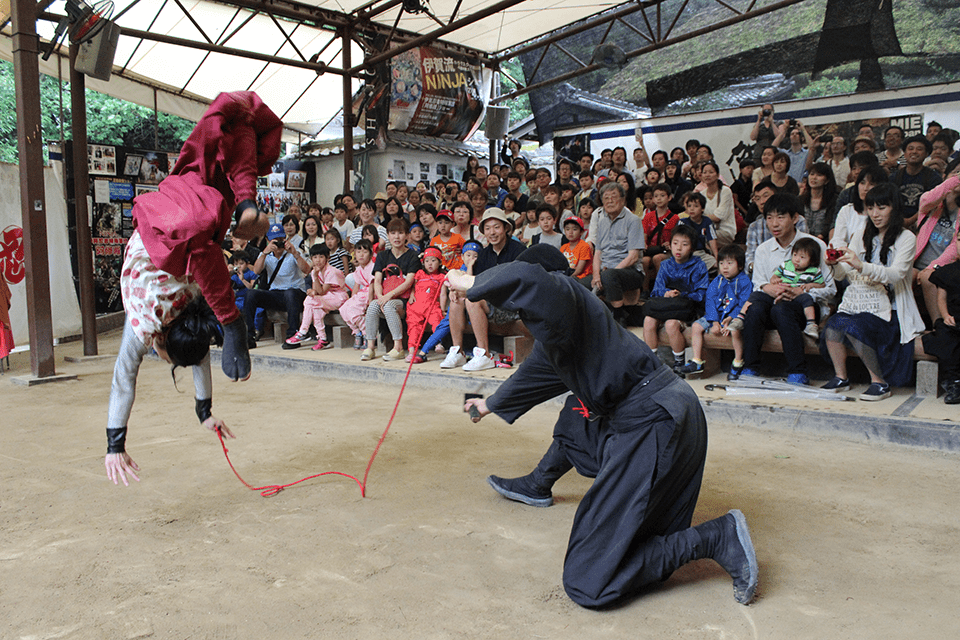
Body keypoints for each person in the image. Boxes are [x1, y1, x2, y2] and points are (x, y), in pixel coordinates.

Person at [451, 246, 758, 609]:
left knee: (588, 581)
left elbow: (535, 279)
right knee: (575, 413)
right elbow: (529, 378)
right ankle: (539, 483)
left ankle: (715, 537)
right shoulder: (559, 334)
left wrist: (469, 281)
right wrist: (486, 405)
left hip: (654, 422)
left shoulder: (565, 293)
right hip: (664, 412)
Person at [128, 91, 281, 383]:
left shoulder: (149, 326)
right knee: (223, 147)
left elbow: (206, 262)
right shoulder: (155, 320)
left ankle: (246, 202)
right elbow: (192, 348)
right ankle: (246, 202)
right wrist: (204, 409)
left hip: (176, 227)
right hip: (176, 207)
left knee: (197, 234)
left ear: (162, 339)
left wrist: (230, 321)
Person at [820, 183, 924, 400]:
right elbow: (843, 275)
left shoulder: (907, 238)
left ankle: (879, 382)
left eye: (882, 207)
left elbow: (896, 274)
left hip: (892, 310)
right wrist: (833, 264)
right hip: (860, 302)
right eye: (871, 208)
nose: (875, 214)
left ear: (894, 208)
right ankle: (841, 377)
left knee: (854, 325)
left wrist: (861, 265)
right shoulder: (860, 234)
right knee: (833, 324)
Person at [739, 193, 836, 385]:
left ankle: (798, 371)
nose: (774, 223)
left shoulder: (815, 245)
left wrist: (803, 291)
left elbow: (831, 289)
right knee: (756, 307)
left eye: (781, 217)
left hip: (805, 308)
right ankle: (749, 367)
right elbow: (758, 283)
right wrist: (770, 288)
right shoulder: (763, 250)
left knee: (781, 309)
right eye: (769, 217)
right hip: (772, 302)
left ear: (795, 218)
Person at [442, 208, 526, 371]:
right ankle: (457, 351)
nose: (492, 232)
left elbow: (519, 283)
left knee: (473, 299)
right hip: (489, 303)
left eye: (496, 227)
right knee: (457, 299)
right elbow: (476, 282)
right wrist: (457, 290)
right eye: (487, 228)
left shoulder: (519, 251)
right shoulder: (484, 255)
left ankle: (484, 355)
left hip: (511, 304)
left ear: (505, 228)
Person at [677, 244, 753, 380]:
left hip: (734, 316)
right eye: (722, 263)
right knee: (696, 326)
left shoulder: (745, 281)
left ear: (740, 266)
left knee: (736, 330)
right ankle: (697, 361)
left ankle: (738, 361)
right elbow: (710, 301)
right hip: (716, 316)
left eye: (730, 263)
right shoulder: (717, 281)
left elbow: (743, 303)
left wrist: (730, 318)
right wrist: (714, 322)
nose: (725, 267)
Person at [642, 224, 709, 371]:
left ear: (692, 248)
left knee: (671, 324)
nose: (679, 248)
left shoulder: (699, 265)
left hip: (687, 309)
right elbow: (656, 290)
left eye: (684, 244)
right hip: (666, 306)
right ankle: (652, 363)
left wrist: (682, 294)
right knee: (648, 320)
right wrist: (666, 293)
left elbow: (702, 294)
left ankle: (678, 362)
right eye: (675, 243)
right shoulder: (665, 264)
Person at [732, 237, 825, 340]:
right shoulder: (786, 265)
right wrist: (774, 281)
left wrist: (810, 285)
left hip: (797, 296)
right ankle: (740, 318)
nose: (797, 259)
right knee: (755, 295)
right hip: (780, 290)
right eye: (795, 255)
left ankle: (811, 324)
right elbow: (774, 277)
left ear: (812, 260)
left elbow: (821, 285)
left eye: (802, 257)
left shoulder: (814, 271)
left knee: (807, 298)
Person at [362, 219, 423, 362]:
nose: (397, 237)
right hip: (385, 295)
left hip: (404, 300)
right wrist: (380, 296)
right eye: (393, 233)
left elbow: (409, 282)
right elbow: (377, 280)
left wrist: (387, 296)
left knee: (389, 306)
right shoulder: (383, 255)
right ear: (388, 236)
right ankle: (370, 346)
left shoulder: (413, 255)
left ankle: (398, 347)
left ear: (407, 236)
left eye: (401, 233)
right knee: (372, 306)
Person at [245, 223, 311, 349]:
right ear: (268, 241)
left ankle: (293, 335)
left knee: (290, 293)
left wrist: (295, 253)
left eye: (281, 240)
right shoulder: (266, 255)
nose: (278, 244)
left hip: (295, 293)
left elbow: (307, 270)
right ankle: (249, 336)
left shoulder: (294, 251)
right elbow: (256, 271)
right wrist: (264, 252)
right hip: (276, 293)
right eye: (275, 241)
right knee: (251, 293)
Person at [413, 240, 482, 364]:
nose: (471, 258)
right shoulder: (457, 270)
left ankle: (477, 352)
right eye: (468, 255)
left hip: (473, 307)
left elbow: (469, 284)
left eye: (475, 256)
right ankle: (424, 351)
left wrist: (471, 266)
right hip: (457, 308)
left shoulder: (480, 269)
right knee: (445, 323)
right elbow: (452, 288)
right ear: (462, 256)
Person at [589, 182, 645, 322]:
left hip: (630, 271)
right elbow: (598, 253)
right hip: (605, 271)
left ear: (623, 199)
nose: (609, 201)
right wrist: (597, 276)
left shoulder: (633, 220)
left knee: (609, 276)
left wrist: (609, 273)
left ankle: (619, 317)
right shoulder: (602, 221)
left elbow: (633, 257)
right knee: (576, 283)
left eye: (613, 197)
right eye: (606, 198)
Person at [914, 171, 960, 324]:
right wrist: (953, 181)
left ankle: (938, 326)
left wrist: (933, 266)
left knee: (928, 277)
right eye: (956, 173)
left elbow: (955, 246)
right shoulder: (930, 205)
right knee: (904, 275)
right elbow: (928, 198)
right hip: (916, 262)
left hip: (943, 266)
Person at [284, 244, 348, 350]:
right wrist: (314, 283)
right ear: (311, 259)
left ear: (328, 258)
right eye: (315, 257)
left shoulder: (332, 271)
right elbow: (317, 291)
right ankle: (323, 339)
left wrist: (314, 284)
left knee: (310, 300)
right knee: (316, 310)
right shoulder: (315, 271)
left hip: (338, 297)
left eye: (321, 257)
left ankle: (303, 331)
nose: (318, 260)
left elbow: (321, 292)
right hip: (327, 297)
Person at [921, 231, 960, 404]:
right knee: (945, 338)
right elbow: (941, 299)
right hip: (953, 319)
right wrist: (945, 316)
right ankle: (955, 383)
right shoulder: (948, 271)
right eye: (959, 240)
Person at [404, 246, 447, 363]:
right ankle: (412, 351)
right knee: (413, 327)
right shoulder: (419, 274)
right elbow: (413, 286)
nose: (430, 264)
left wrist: (442, 309)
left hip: (432, 306)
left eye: (433, 260)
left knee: (437, 320)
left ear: (439, 262)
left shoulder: (441, 277)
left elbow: (443, 295)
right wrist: (412, 295)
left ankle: (438, 343)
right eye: (427, 261)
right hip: (416, 305)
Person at [890, 134, 942, 226]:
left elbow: (932, 205)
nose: (914, 152)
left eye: (919, 149)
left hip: (925, 223)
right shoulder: (894, 177)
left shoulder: (934, 178)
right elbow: (889, 202)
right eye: (910, 148)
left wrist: (910, 221)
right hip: (896, 222)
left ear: (926, 154)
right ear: (904, 153)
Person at [831, 165, 888, 249]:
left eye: (871, 184)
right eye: (862, 183)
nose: (865, 188)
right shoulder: (847, 210)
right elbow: (837, 240)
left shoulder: (884, 213)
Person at [339, 239, 375, 350]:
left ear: (370, 253)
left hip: (370, 292)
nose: (361, 255)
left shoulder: (372, 266)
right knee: (343, 308)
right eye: (358, 252)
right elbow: (356, 285)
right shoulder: (358, 269)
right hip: (361, 293)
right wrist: (351, 299)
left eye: (365, 252)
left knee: (355, 312)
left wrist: (370, 301)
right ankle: (357, 331)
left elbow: (372, 285)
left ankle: (366, 333)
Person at [677, 191, 718, 273]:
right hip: (685, 253)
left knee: (718, 265)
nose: (691, 209)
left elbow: (712, 239)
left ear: (702, 209)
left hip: (701, 253)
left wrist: (717, 257)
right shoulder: (682, 222)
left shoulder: (707, 221)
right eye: (689, 206)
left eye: (696, 206)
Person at [699, 161, 736, 248]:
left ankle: (712, 260)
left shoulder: (725, 191)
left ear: (718, 175)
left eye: (711, 172)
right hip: (707, 230)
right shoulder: (701, 194)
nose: (707, 175)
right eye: (704, 172)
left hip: (724, 231)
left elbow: (718, 217)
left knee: (702, 237)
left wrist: (701, 216)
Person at [801, 162, 838, 241]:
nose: (814, 178)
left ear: (827, 180)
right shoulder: (800, 199)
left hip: (824, 241)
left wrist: (821, 236)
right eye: (812, 174)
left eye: (819, 175)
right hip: (801, 241)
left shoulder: (833, 200)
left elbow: (830, 223)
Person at [560, 216, 592, 283]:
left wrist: (566, 278)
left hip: (581, 278)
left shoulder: (584, 246)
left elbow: (579, 270)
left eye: (574, 229)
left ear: (581, 232)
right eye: (567, 229)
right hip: (567, 277)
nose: (570, 232)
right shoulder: (563, 247)